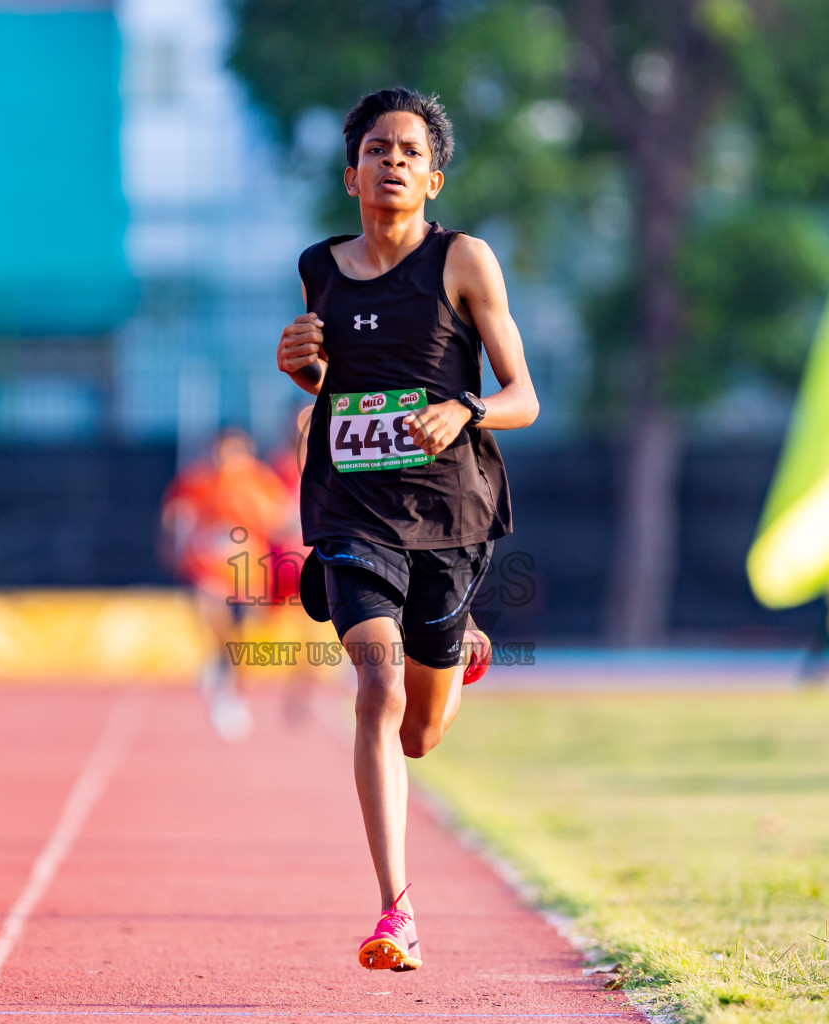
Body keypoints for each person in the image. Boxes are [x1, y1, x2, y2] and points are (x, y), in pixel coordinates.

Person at [276, 87, 539, 972]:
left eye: (410, 151)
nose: (393, 161)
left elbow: (524, 398)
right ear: (351, 172)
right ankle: (397, 911)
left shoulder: (463, 261)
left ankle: (459, 646)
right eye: (377, 149)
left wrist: (464, 410)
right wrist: (302, 370)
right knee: (377, 692)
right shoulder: (318, 267)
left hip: (450, 515)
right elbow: (336, 385)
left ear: (433, 174)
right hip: (352, 512)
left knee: (421, 732)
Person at [160, 428, 292, 741]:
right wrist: (174, 546)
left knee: (244, 637)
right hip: (209, 567)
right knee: (211, 610)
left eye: (234, 452)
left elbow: (281, 519)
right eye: (222, 451)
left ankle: (230, 688)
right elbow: (175, 516)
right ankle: (218, 668)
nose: (227, 459)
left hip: (248, 571)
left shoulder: (260, 482)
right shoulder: (197, 481)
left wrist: (254, 511)